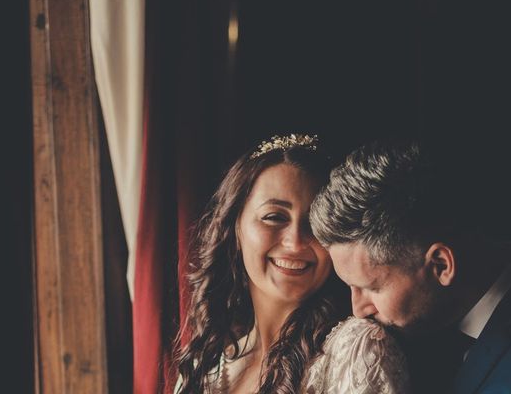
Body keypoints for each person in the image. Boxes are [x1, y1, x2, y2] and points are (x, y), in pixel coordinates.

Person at [309, 139, 511, 393]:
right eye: (350, 287)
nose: (358, 310)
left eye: (371, 287)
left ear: (441, 265)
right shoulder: (403, 334)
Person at [173, 134, 410, 393]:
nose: (296, 243)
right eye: (274, 217)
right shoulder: (206, 367)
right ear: (235, 228)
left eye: (313, 224)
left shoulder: (357, 350)